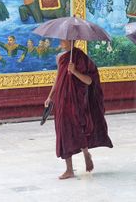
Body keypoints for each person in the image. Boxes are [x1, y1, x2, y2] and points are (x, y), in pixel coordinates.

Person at [44, 40, 113, 179]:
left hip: (77, 101)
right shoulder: (61, 58)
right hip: (62, 100)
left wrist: (74, 71)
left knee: (79, 128)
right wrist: (50, 97)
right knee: (63, 131)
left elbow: (89, 81)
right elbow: (58, 79)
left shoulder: (81, 57)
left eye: (64, 39)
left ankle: (86, 153)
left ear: (72, 41)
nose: (61, 41)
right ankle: (69, 169)